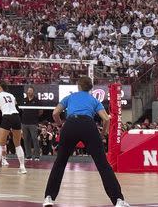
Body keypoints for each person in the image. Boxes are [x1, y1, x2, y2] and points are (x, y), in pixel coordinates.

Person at [43, 76, 128, 207]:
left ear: (79, 86)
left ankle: (49, 197)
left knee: (60, 163)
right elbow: (106, 119)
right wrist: (101, 134)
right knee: (103, 165)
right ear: (90, 88)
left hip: (70, 124)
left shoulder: (70, 97)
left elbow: (55, 113)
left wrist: (61, 125)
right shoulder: (93, 100)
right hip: (88, 125)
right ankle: (118, 200)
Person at [0, 82, 26, 175]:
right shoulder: (11, 95)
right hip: (16, 117)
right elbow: (18, 109)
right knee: (18, 144)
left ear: (0, 87)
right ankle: (22, 167)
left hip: (7, 117)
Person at [21, 86, 42, 161]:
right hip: (24, 123)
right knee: (26, 140)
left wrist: (34, 116)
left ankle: (37, 156)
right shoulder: (24, 100)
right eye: (28, 90)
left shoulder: (37, 100)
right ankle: (28, 156)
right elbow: (22, 110)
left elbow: (40, 112)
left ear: (33, 92)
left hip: (33, 123)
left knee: (35, 139)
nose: (28, 92)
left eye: (30, 91)